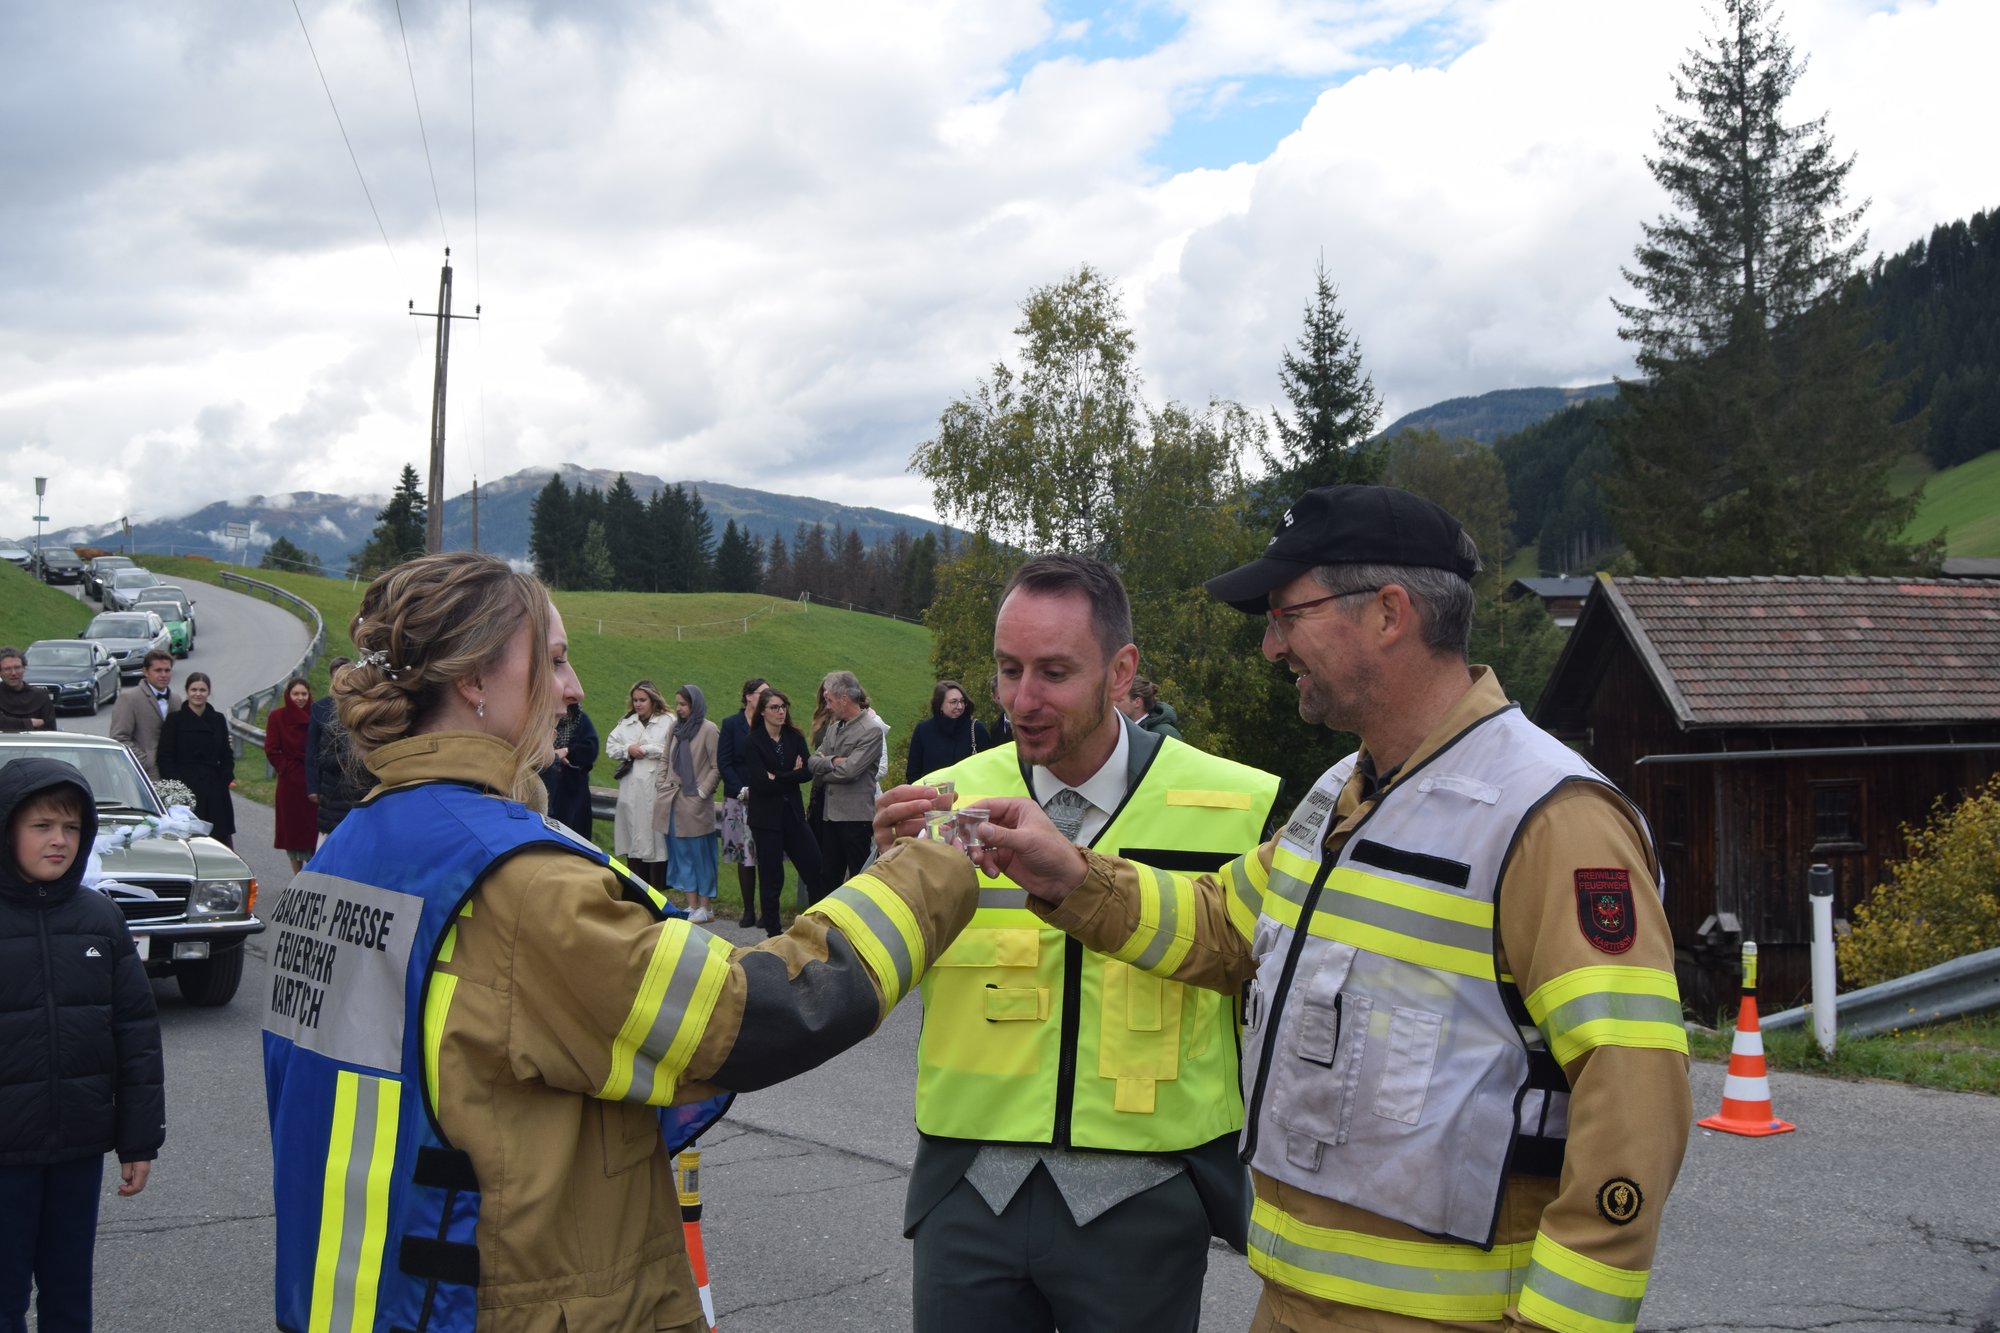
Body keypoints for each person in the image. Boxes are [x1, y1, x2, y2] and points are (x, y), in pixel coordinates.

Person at [910, 486, 1692, 1333]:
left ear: (1389, 613)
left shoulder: (1549, 816)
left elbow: (1633, 1095)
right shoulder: (1340, 797)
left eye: (1292, 613)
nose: (1272, 641)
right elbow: (1220, 924)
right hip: (1298, 1304)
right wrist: (1067, 875)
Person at [261, 552, 979, 1333]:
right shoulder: (520, 884)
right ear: (473, 679)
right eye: (557, 658)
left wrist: (869, 867)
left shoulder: (346, 854)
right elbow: (751, 1012)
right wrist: (931, 870)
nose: (572, 688)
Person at [876, 554, 1283, 1333]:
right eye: (1007, 669)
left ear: (1121, 670)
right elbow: (889, 970)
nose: (1022, 700)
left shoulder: (1235, 804)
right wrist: (881, 877)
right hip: (967, 1188)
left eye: (1055, 672)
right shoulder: (948, 795)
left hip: (1149, 1192)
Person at [0, 759, 164, 1333]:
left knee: (69, 1294)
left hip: (76, 1148)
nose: (59, 840)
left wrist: (138, 1139)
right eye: (42, 826)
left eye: (71, 828)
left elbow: (136, 1035)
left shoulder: (100, 919)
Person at [744, 686, 824, 936]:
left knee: (816, 870)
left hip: (793, 817)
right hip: (766, 820)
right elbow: (759, 783)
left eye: (783, 707)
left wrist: (778, 775)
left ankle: (817, 928)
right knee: (771, 879)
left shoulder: (793, 736)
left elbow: (807, 771)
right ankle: (773, 934)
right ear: (763, 712)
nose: (780, 712)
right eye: (774, 707)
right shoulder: (753, 741)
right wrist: (790, 775)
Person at [808, 671, 887, 889]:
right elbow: (812, 763)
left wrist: (825, 767)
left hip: (855, 818)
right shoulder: (833, 729)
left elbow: (851, 771)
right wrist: (835, 762)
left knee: (858, 879)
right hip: (830, 817)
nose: (827, 706)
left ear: (844, 699)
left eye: (830, 700)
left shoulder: (871, 731)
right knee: (828, 878)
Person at [655, 684, 721, 922]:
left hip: (695, 804)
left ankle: (706, 906)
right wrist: (661, 783)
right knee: (681, 854)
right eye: (678, 704)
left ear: (695, 705)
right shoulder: (675, 728)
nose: (679, 709)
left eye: (683, 704)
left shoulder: (708, 729)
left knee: (701, 855)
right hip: (672, 801)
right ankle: (692, 905)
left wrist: (702, 792)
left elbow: (716, 766)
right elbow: (665, 758)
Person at [156, 670, 236, 848]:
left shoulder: (218, 719)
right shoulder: (174, 720)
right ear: (187, 691)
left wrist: (225, 777)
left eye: (202, 690)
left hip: (215, 789)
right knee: (189, 838)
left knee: (219, 838)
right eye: (194, 690)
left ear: (209, 692)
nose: (198, 694)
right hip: (186, 790)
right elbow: (165, 756)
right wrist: (177, 787)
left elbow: (226, 754)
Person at [607, 680, 673, 892]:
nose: (638, 704)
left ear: (653, 700)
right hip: (631, 789)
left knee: (655, 840)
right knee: (633, 838)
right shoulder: (627, 722)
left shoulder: (668, 721)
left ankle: (658, 889)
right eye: (635, 700)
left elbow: (673, 749)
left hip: (655, 788)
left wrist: (648, 749)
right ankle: (636, 891)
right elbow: (611, 747)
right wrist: (629, 749)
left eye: (642, 700)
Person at [717, 677, 767, 928]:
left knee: (766, 855)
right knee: (744, 856)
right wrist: (741, 790)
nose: (767, 698)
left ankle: (768, 910)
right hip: (739, 801)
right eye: (762, 693)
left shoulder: (768, 723)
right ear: (748, 696)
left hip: (765, 798)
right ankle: (748, 910)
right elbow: (724, 762)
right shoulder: (731, 724)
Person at [305, 657, 369, 844]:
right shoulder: (329, 720)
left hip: (361, 802)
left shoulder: (369, 718)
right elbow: (317, 756)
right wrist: (353, 755)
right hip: (334, 800)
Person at [264, 676, 317, 873]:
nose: (300, 698)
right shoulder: (277, 717)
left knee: (312, 831)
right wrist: (286, 768)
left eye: (304, 694)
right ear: (288, 695)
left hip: (312, 781)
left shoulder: (316, 715)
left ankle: (312, 875)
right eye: (296, 694)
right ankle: (296, 875)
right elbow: (271, 749)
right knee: (293, 833)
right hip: (290, 784)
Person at [903, 678, 988, 784]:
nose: (960, 706)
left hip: (970, 795)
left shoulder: (976, 729)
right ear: (940, 705)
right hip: (933, 796)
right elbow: (913, 773)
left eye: (962, 701)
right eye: (954, 702)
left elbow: (988, 767)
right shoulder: (923, 730)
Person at [107, 650, 175, 780]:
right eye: (158, 670)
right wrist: (145, 762)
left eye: (167, 670)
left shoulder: (175, 699)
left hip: (172, 773)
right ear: (145, 672)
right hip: (144, 774)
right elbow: (119, 737)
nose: (163, 675)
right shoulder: (129, 698)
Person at [538, 700, 601, 840]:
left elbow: (591, 749)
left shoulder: (580, 721)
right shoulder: (540, 720)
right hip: (544, 787)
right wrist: (552, 755)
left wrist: (568, 752)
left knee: (573, 839)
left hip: (572, 791)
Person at [0, 647, 57, 732]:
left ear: (24, 668)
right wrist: (30, 723)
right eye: (7, 669)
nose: (13, 673)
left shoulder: (41, 695)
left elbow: (50, 730)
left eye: (17, 667)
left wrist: (10, 722)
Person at [1117, 675, 1183, 742]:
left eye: (1119, 700)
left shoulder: (1166, 734)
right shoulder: (1121, 731)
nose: (1113, 705)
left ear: (1137, 702)